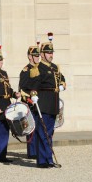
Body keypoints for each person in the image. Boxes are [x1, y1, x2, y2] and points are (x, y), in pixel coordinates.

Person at [30, 39, 65, 168]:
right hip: (43, 102)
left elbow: (62, 79)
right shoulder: (38, 68)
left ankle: (49, 158)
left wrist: (62, 85)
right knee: (42, 132)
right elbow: (32, 85)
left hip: (53, 102)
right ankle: (42, 160)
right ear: (42, 54)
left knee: (49, 132)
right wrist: (33, 96)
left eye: (51, 53)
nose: (51, 55)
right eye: (48, 53)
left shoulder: (55, 67)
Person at [18, 45, 40, 159]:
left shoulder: (40, 68)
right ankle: (32, 152)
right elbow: (22, 89)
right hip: (31, 103)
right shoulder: (26, 70)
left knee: (40, 128)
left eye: (38, 55)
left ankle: (39, 150)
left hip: (41, 102)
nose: (38, 57)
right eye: (35, 55)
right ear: (29, 56)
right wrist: (30, 100)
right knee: (32, 128)